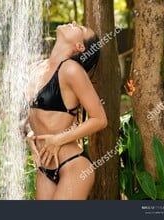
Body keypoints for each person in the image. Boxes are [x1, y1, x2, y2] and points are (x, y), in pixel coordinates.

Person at [25, 21, 107, 200]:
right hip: (46, 167)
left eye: (81, 28)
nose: (74, 23)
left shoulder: (71, 70)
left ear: (79, 46)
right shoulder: (37, 68)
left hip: (73, 165)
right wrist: (30, 135)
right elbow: (37, 115)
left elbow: (100, 119)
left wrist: (57, 140)